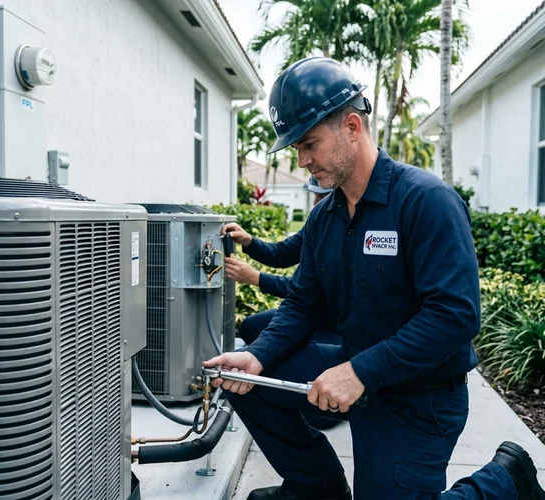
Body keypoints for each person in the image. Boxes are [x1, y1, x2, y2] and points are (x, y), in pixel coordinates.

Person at [204, 56, 544, 500]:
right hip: (356, 369)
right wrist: (259, 357)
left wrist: (359, 372)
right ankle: (316, 488)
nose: (302, 160)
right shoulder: (326, 217)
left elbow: (455, 316)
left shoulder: (425, 201)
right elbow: (306, 302)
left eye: (309, 144)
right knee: (248, 382)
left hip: (419, 395)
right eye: (296, 149)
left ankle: (506, 480)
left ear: (351, 126)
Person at [223, 176, 336, 346]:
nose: (315, 202)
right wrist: (249, 241)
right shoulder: (318, 226)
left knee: (293, 349)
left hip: (335, 323)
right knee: (250, 327)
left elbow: (307, 289)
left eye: (321, 196)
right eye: (315, 195)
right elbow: (282, 254)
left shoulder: (346, 236)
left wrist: (256, 277)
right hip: (311, 312)